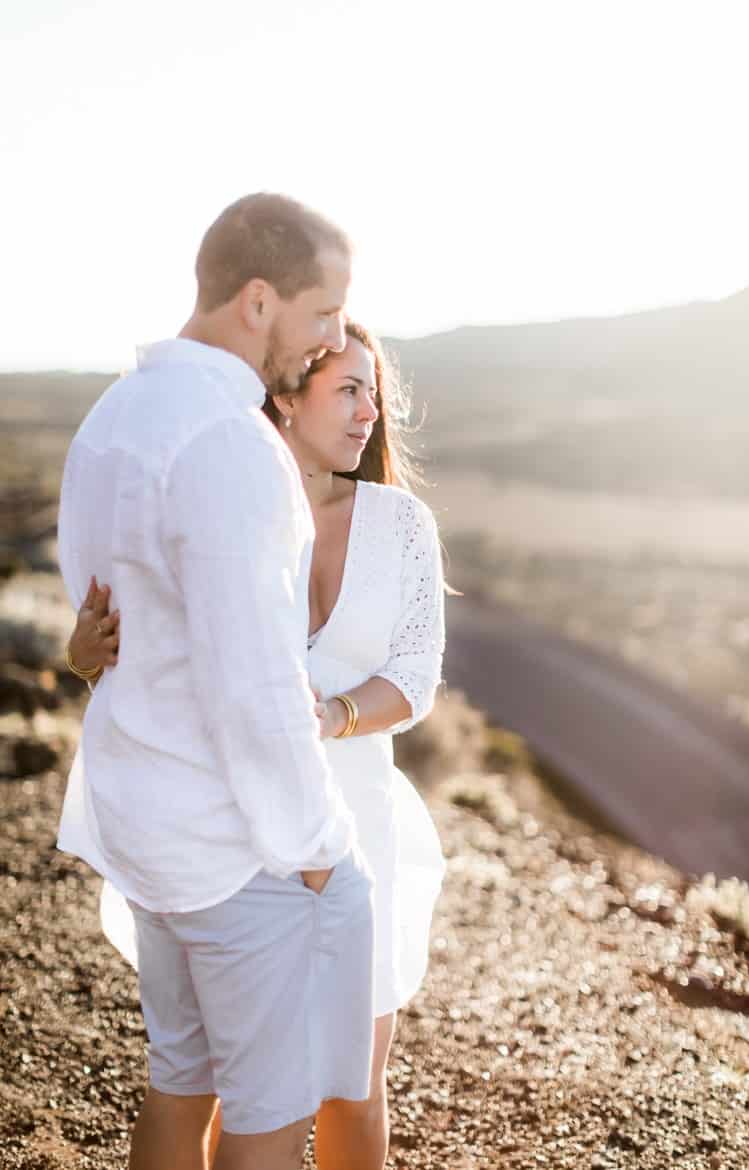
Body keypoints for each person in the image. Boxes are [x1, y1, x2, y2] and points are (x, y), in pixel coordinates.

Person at [69, 321, 448, 1170]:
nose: (369, 411)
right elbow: (149, 658)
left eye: (373, 392)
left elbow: (417, 675)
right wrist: (82, 653)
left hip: (354, 827)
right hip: (224, 830)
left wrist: (331, 716)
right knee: (199, 1083)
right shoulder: (221, 500)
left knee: (353, 1085)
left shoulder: (401, 524)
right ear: (285, 395)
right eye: (349, 389)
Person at [55, 192, 376, 1170]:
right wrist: (319, 849)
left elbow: (103, 624)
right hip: (236, 849)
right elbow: (255, 685)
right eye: (323, 314)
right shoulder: (229, 442)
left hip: (146, 820)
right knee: (268, 1122)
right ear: (258, 300)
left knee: (177, 1083)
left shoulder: (114, 417)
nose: (330, 343)